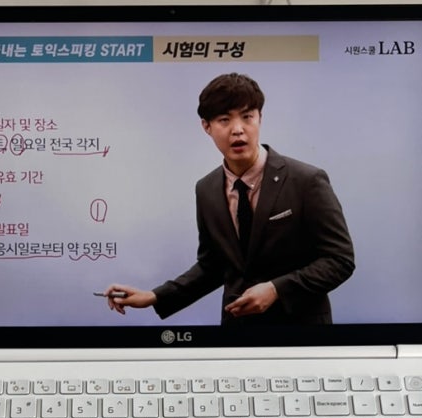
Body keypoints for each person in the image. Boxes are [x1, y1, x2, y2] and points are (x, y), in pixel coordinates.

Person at [104, 72, 354, 327]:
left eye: (247, 117)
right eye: (224, 120)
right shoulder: (207, 189)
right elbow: (212, 266)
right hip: (236, 332)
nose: (238, 129)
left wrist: (276, 289)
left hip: (302, 334)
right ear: (206, 126)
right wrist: (155, 296)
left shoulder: (306, 180)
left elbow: (340, 260)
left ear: (260, 118)